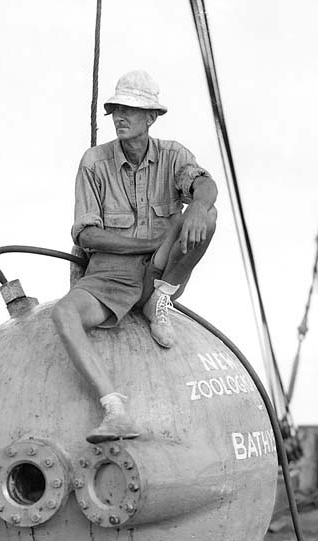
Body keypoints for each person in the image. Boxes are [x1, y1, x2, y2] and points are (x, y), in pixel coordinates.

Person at [52, 70, 217, 443]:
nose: (120, 117)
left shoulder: (173, 155)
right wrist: (148, 244)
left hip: (158, 273)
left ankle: (161, 298)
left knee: (208, 215)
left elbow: (205, 184)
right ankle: (115, 409)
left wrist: (197, 206)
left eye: (131, 109)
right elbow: (87, 233)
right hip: (109, 276)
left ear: (151, 118)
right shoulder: (95, 162)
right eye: (116, 109)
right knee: (63, 313)